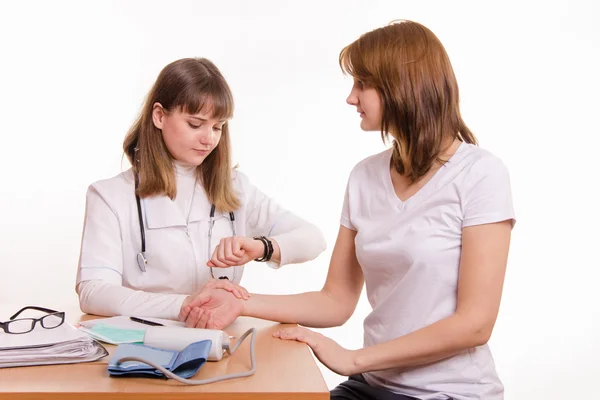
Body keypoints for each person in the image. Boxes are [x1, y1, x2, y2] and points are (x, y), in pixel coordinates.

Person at [181, 21, 516, 400]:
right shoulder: (365, 176)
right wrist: (238, 300)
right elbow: (336, 300)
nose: (351, 97)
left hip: (449, 392)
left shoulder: (480, 174)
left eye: (362, 84)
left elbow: (475, 325)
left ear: (401, 84)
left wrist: (355, 359)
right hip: (374, 385)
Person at [75, 57, 326, 322]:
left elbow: (313, 239)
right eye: (195, 124)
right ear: (159, 116)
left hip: (220, 338)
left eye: (217, 127)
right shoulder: (111, 196)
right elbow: (93, 290)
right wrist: (184, 305)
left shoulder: (235, 187)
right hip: (141, 346)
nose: (209, 139)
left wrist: (261, 247)